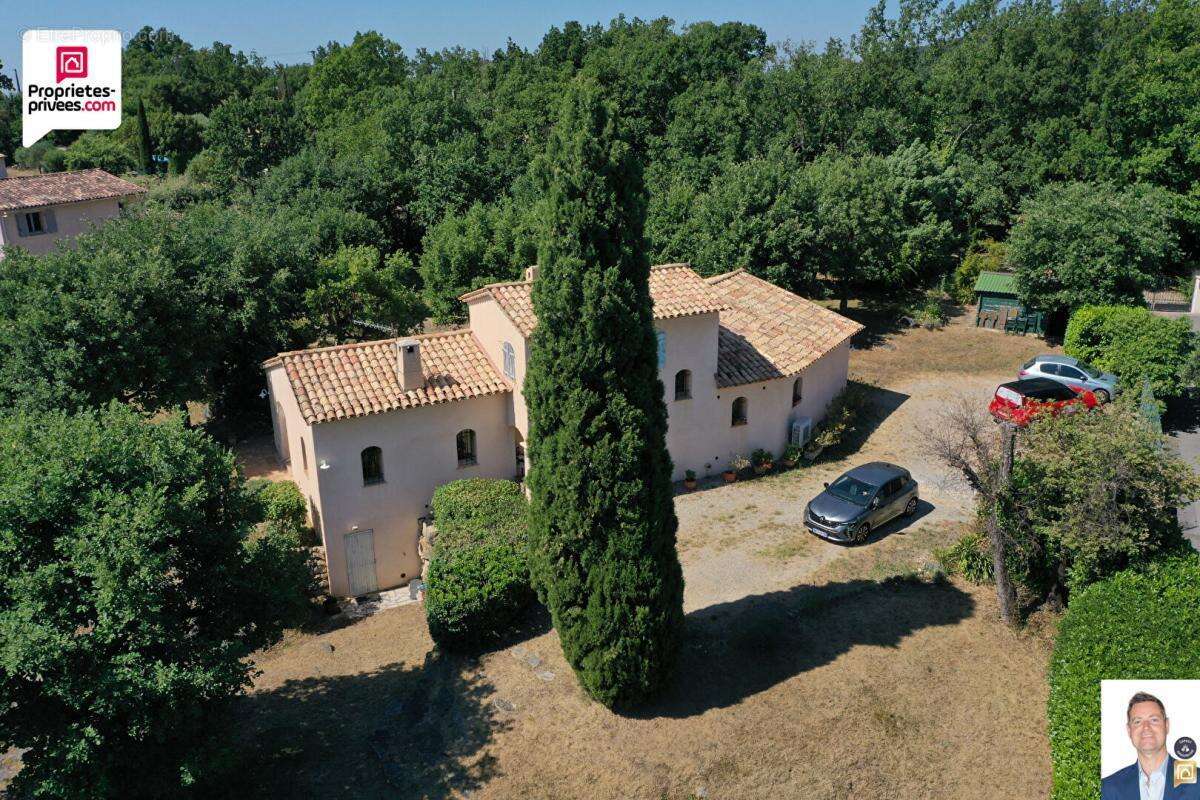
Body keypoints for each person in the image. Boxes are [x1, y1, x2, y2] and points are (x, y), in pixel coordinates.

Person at [1102, 692, 1199, 800]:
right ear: (1129, 731)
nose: (1146, 727)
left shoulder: (1197, 780)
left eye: (1154, 720)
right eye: (1138, 721)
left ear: (1167, 725)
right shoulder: (1108, 788)